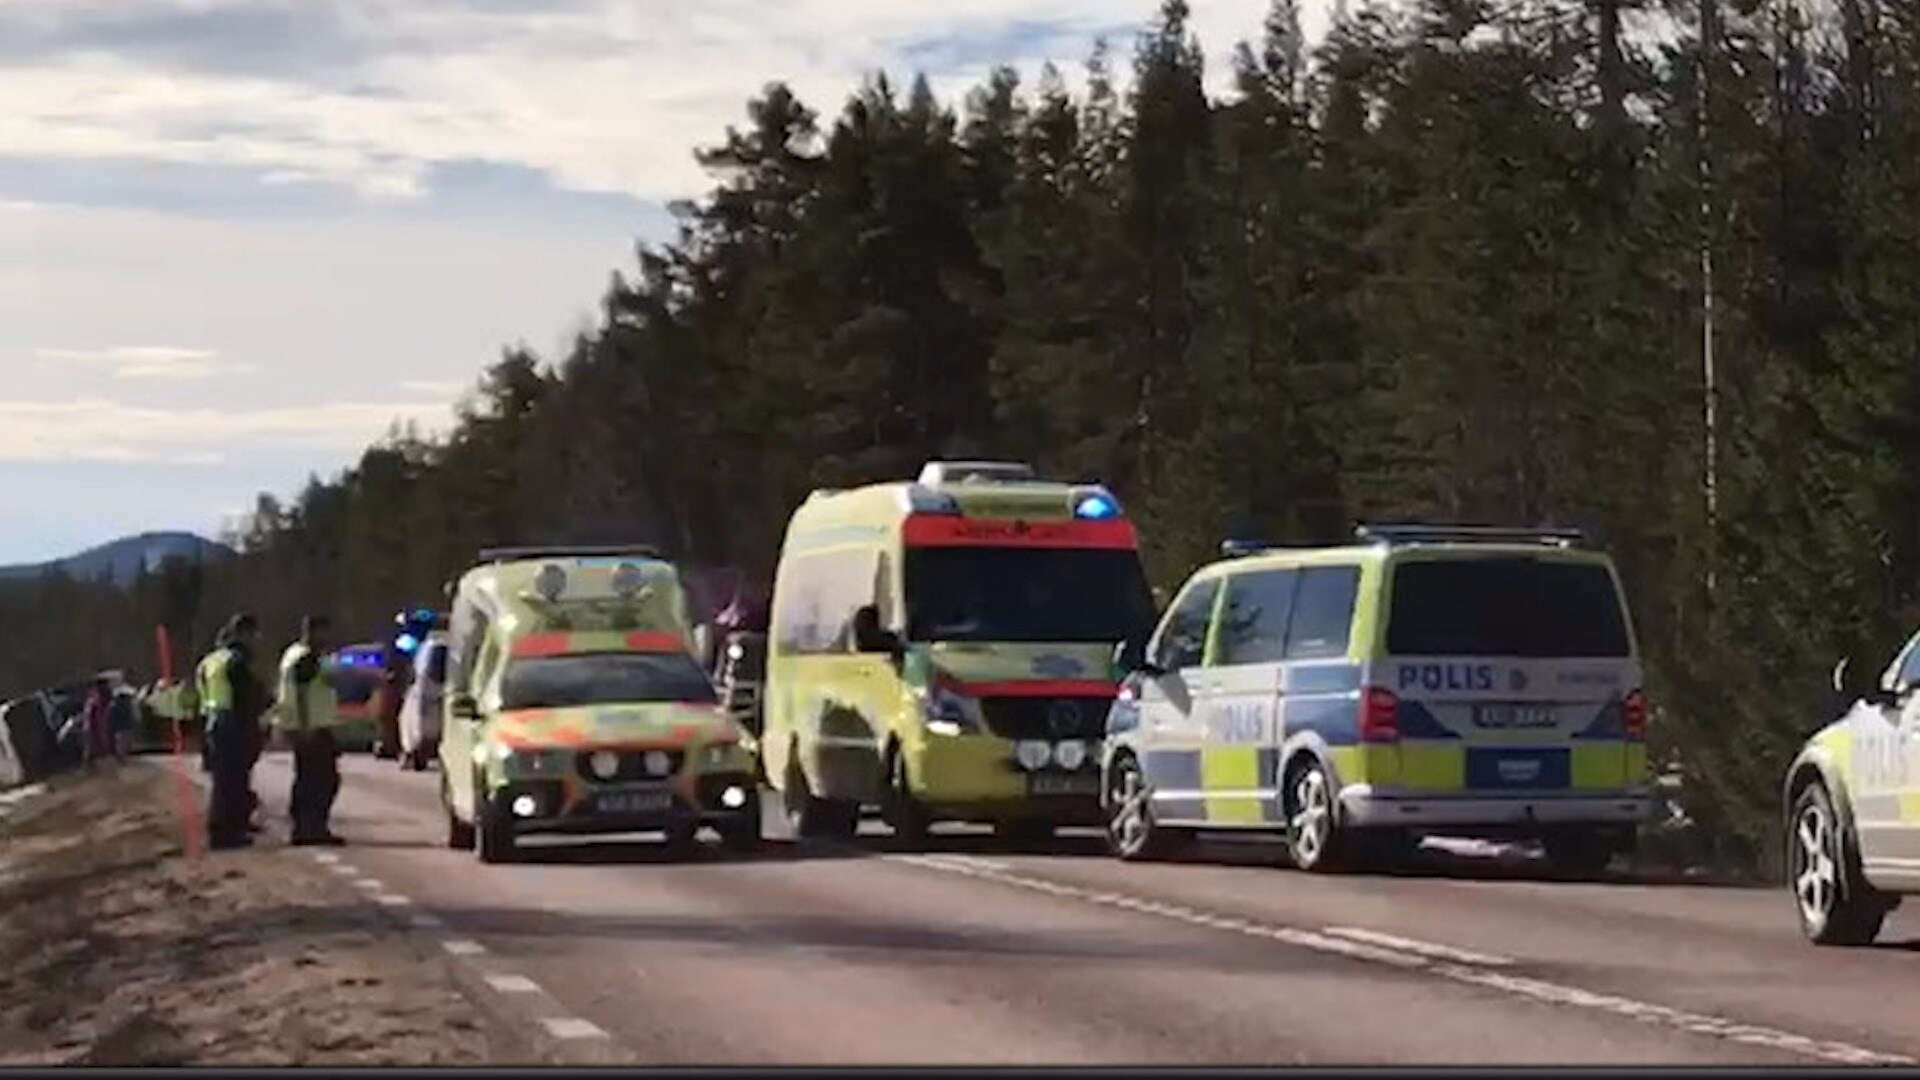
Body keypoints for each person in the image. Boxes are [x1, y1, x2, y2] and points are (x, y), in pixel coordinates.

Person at [197, 614, 266, 850]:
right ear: (244, 634)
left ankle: (223, 829)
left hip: (214, 722)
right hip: (233, 724)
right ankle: (228, 833)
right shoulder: (237, 662)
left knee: (223, 781)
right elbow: (247, 697)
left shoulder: (211, 661)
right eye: (253, 635)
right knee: (233, 781)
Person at [279, 616, 344, 846]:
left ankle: (304, 827)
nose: (327, 637)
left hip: (305, 726)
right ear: (314, 632)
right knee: (322, 780)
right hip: (311, 728)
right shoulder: (306, 659)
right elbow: (302, 696)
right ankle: (312, 827)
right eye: (324, 632)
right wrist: (305, 727)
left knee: (308, 779)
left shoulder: (293, 655)